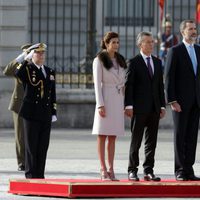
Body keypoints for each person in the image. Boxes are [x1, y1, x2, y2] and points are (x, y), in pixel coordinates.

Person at [125, 31, 166, 181]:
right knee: (136, 140)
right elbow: (129, 86)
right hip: (139, 108)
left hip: (154, 109)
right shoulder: (134, 62)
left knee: (151, 141)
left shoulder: (157, 62)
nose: (151, 44)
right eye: (148, 42)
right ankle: (132, 170)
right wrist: (128, 105)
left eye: (152, 42)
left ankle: (148, 170)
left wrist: (162, 106)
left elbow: (159, 86)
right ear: (140, 44)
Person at [15, 43, 57, 178]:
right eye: (38, 53)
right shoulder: (28, 69)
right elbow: (17, 73)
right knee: (31, 147)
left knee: (43, 146)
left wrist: (53, 112)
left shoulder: (50, 71)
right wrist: (25, 59)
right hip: (31, 113)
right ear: (32, 55)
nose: (41, 55)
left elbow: (52, 93)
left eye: (43, 53)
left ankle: (40, 175)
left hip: (45, 113)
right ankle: (30, 175)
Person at [165, 20, 200, 181]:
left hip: (197, 102)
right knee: (180, 136)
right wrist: (172, 100)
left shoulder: (199, 50)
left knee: (192, 137)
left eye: (195, 29)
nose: (194, 31)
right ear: (183, 32)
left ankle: (189, 169)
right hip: (180, 102)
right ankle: (179, 170)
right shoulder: (175, 51)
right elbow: (169, 77)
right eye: (190, 29)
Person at [92, 32, 127, 181]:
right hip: (105, 98)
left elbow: (124, 80)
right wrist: (100, 105)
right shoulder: (99, 60)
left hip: (118, 99)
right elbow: (97, 85)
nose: (116, 45)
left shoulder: (120, 60)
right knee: (102, 135)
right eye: (113, 42)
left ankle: (111, 169)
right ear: (106, 44)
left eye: (117, 42)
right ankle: (103, 168)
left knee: (113, 136)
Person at [3, 43, 32, 171]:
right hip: (19, 104)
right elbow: (7, 71)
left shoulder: (36, 66)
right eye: (27, 52)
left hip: (33, 104)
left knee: (32, 134)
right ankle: (22, 162)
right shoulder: (19, 66)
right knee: (20, 135)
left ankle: (31, 161)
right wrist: (21, 57)